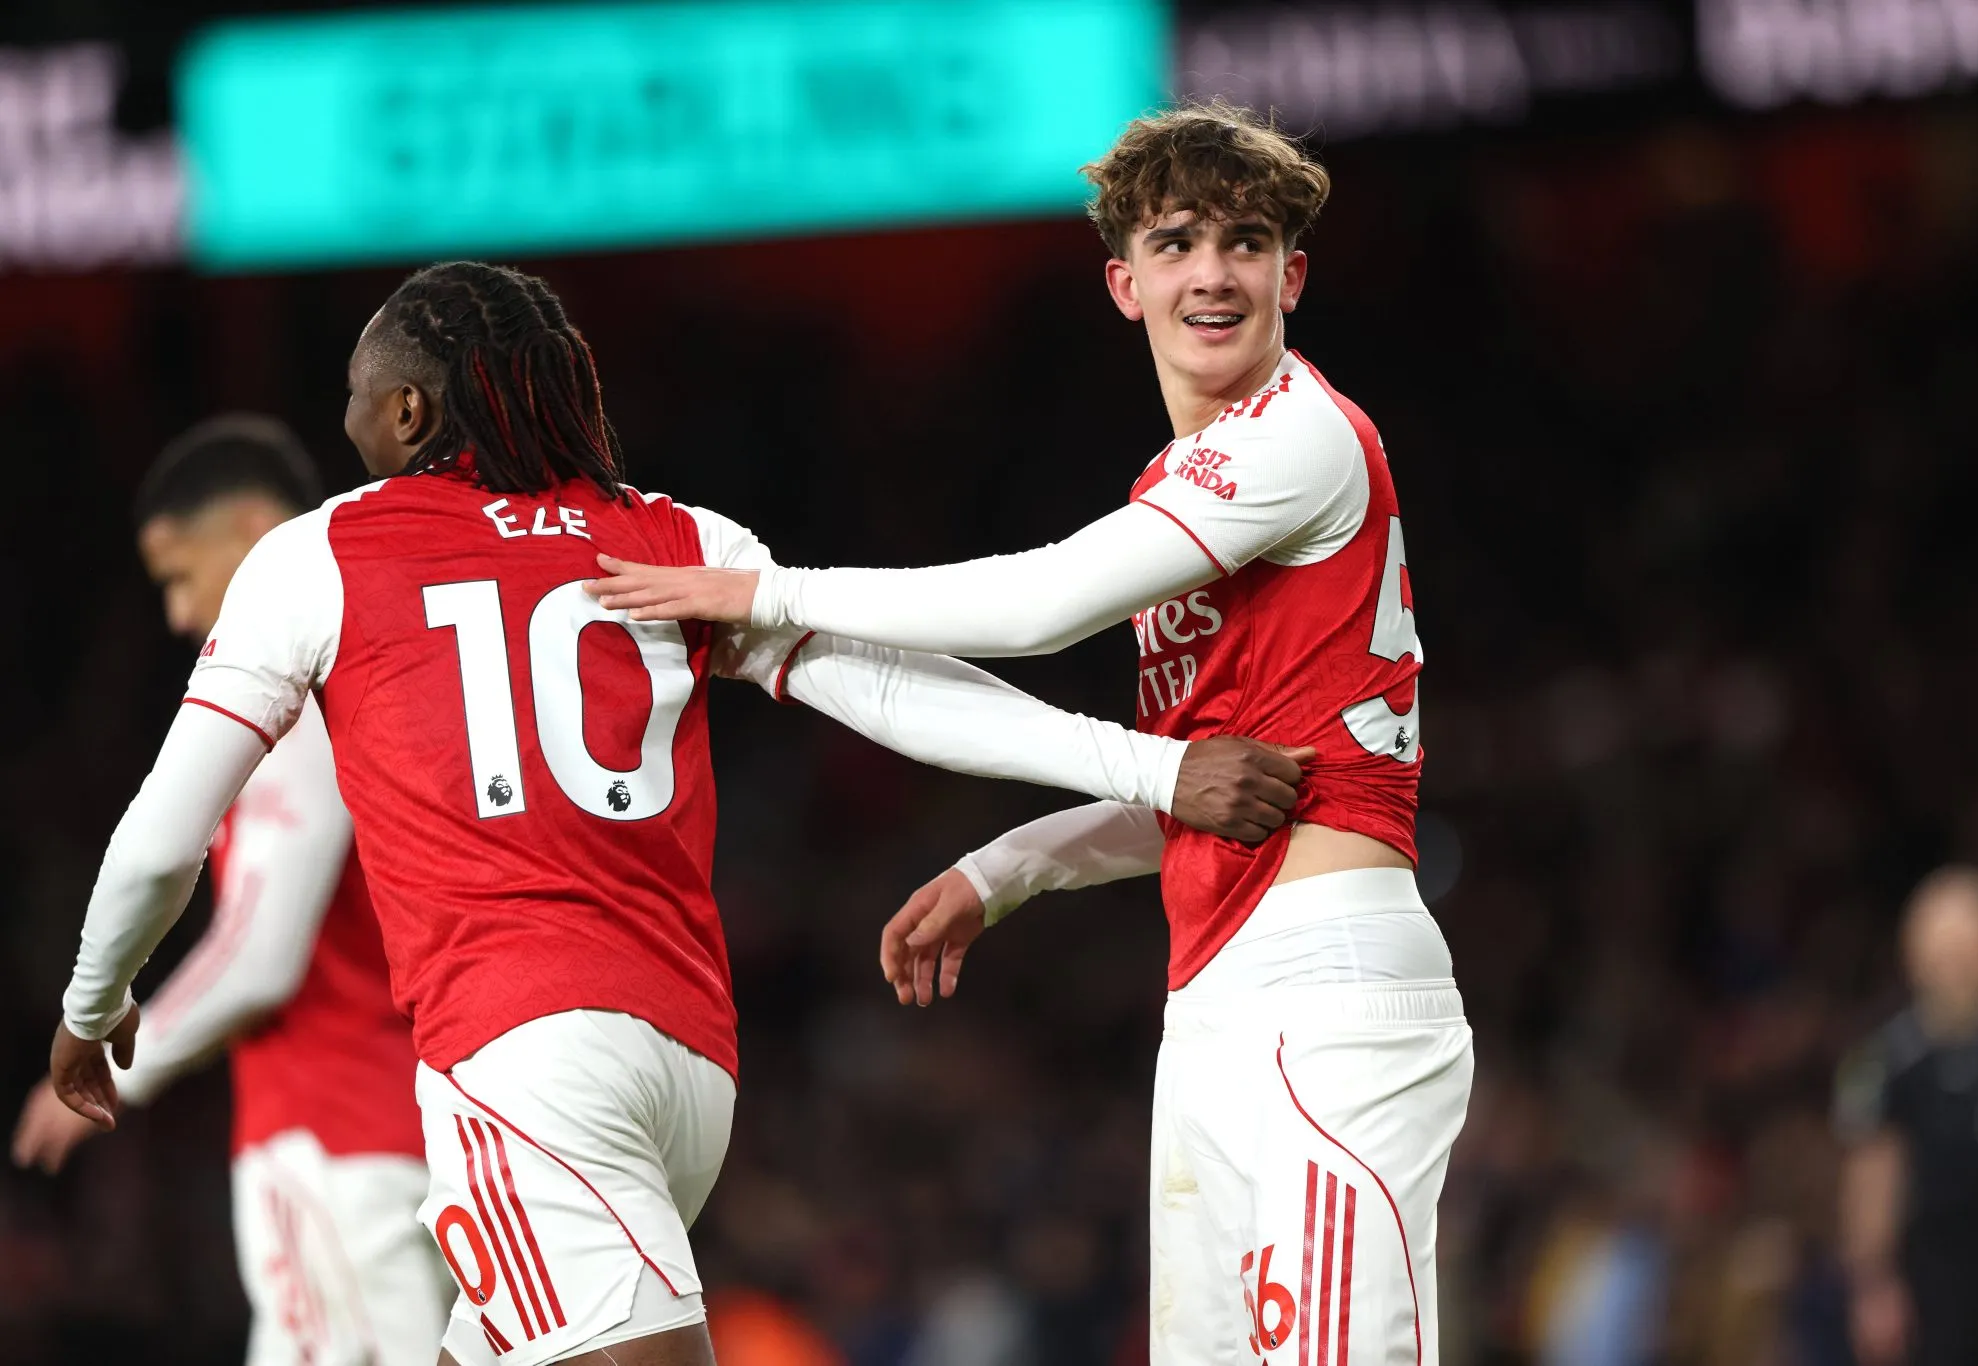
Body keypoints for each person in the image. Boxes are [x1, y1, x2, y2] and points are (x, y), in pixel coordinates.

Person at [45, 261, 1308, 1366]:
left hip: (521, 1059)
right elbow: (889, 687)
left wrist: (90, 1008)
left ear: (409, 412)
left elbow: (162, 835)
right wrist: (1141, 766)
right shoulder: (670, 536)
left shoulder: (321, 554)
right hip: (686, 1066)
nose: (346, 423)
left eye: (356, 400)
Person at [586, 102, 1475, 1363]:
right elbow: (1215, 790)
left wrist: (770, 592)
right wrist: (1003, 868)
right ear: (1124, 283)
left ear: (1292, 275)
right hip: (1219, 997)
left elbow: (1038, 605)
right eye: (1175, 244)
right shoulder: (1181, 486)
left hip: (1329, 988)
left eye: (1245, 243)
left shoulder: (1298, 435)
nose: (1211, 274)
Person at [12, 414, 450, 1366]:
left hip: (333, 1138)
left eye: (179, 575)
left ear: (257, 531)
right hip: (400, 1129)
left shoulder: (302, 702)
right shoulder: (391, 671)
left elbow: (259, 956)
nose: (177, 615)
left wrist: (114, 1058)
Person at [1837, 866, 1978, 1366]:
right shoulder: (1880, 1058)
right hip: (1922, 1281)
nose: (1955, 968)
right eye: (1942, 952)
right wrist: (1874, 1285)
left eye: (1968, 950)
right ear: (1913, 957)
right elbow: (1870, 1174)